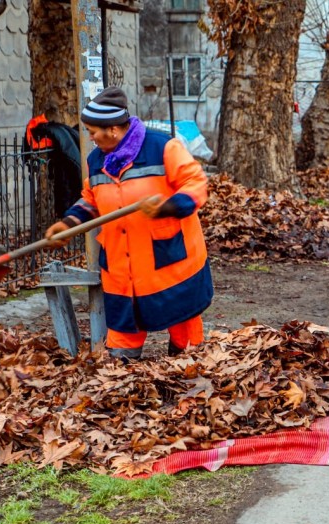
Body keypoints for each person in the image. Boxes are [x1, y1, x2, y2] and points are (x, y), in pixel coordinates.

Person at [44, 86, 214, 360]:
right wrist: (69, 222)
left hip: (169, 259)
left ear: (112, 130)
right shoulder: (96, 159)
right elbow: (91, 197)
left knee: (184, 331)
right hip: (121, 262)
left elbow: (196, 184)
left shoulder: (163, 148)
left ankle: (188, 367)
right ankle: (122, 365)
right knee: (123, 332)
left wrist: (167, 206)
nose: (89, 136)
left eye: (92, 131)